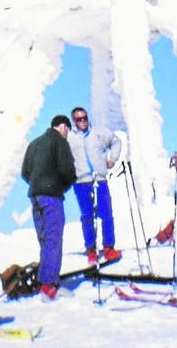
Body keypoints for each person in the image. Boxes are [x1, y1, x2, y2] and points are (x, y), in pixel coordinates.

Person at [21, 115, 77, 301]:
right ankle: (49, 284)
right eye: (67, 129)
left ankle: (44, 279)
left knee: (44, 238)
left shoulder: (34, 143)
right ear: (61, 127)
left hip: (35, 196)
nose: (67, 133)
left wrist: (39, 184)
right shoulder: (59, 142)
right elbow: (68, 171)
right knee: (54, 238)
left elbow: (25, 172)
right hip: (52, 197)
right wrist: (58, 185)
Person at [67, 107, 122, 265]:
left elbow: (116, 141)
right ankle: (91, 249)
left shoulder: (99, 133)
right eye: (79, 119)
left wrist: (113, 158)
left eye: (85, 118)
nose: (83, 121)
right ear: (74, 121)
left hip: (100, 180)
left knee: (106, 214)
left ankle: (109, 247)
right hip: (80, 182)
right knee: (87, 216)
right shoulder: (69, 138)